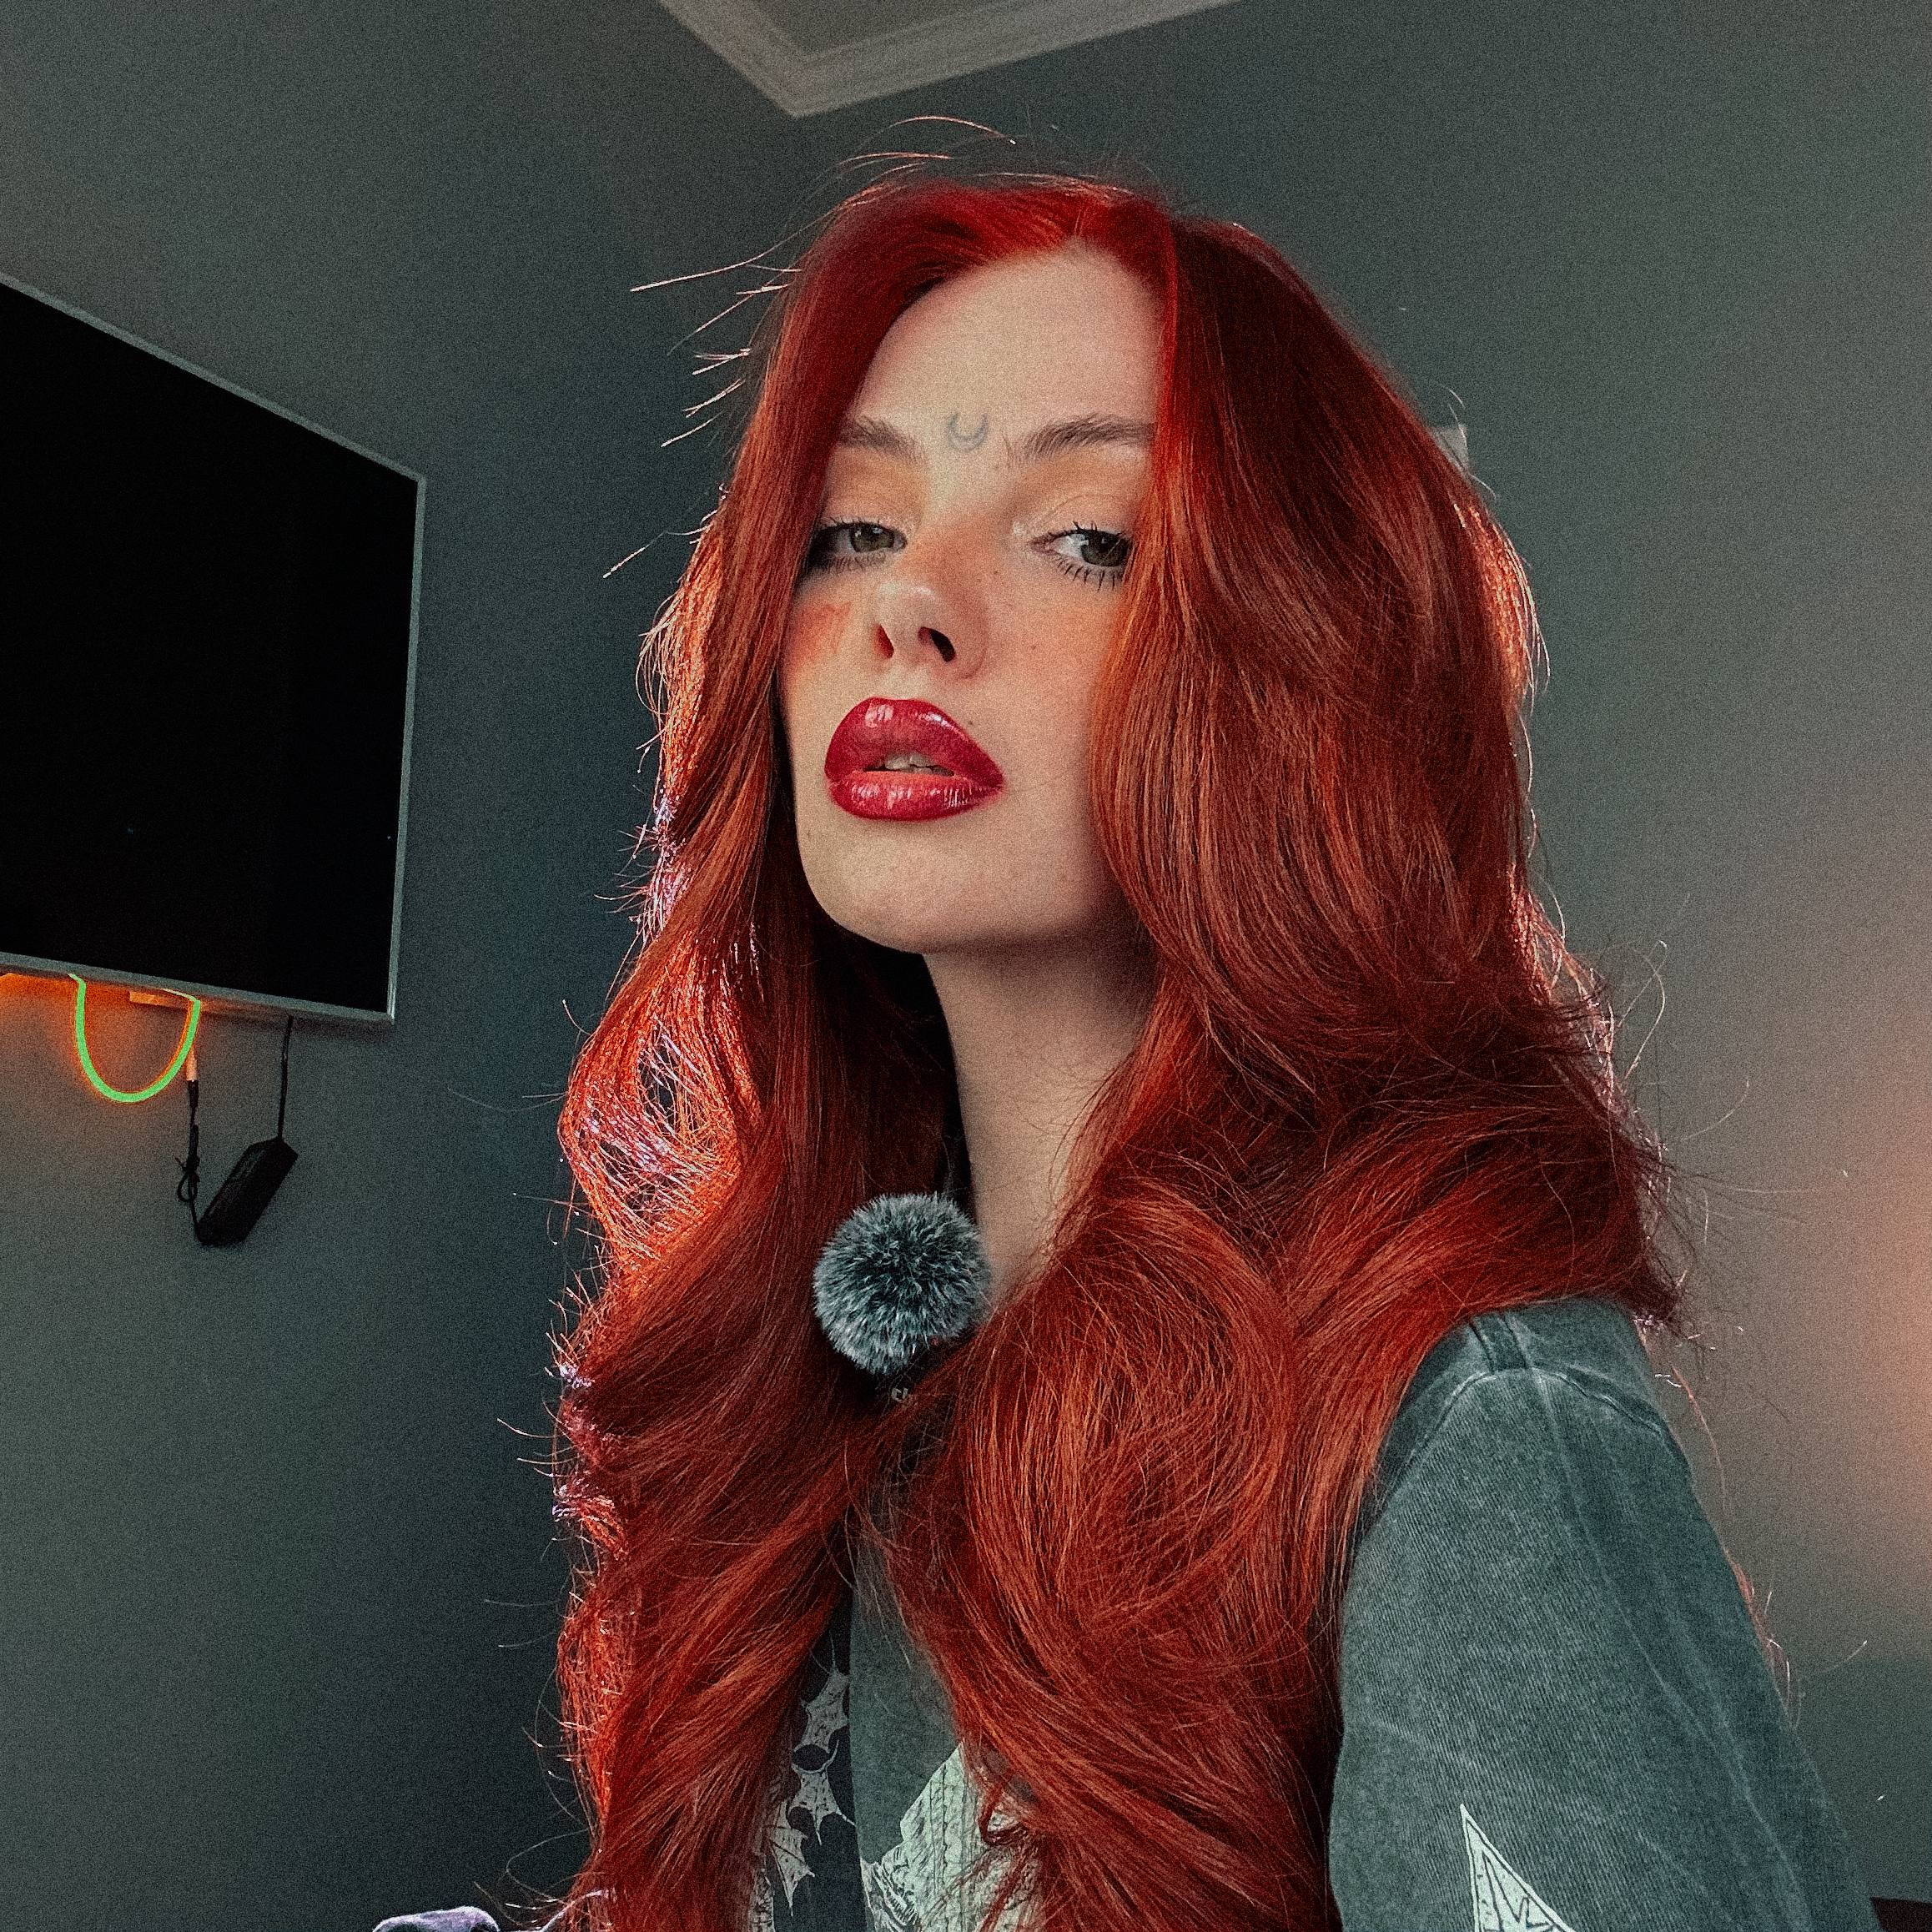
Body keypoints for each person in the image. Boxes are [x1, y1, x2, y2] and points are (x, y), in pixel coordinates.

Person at [378, 162, 1881, 1932]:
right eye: (851, 528)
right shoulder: (837, 1343)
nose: (907, 607)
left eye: (1087, 538)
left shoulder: (1462, 1419)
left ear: (1305, 673)